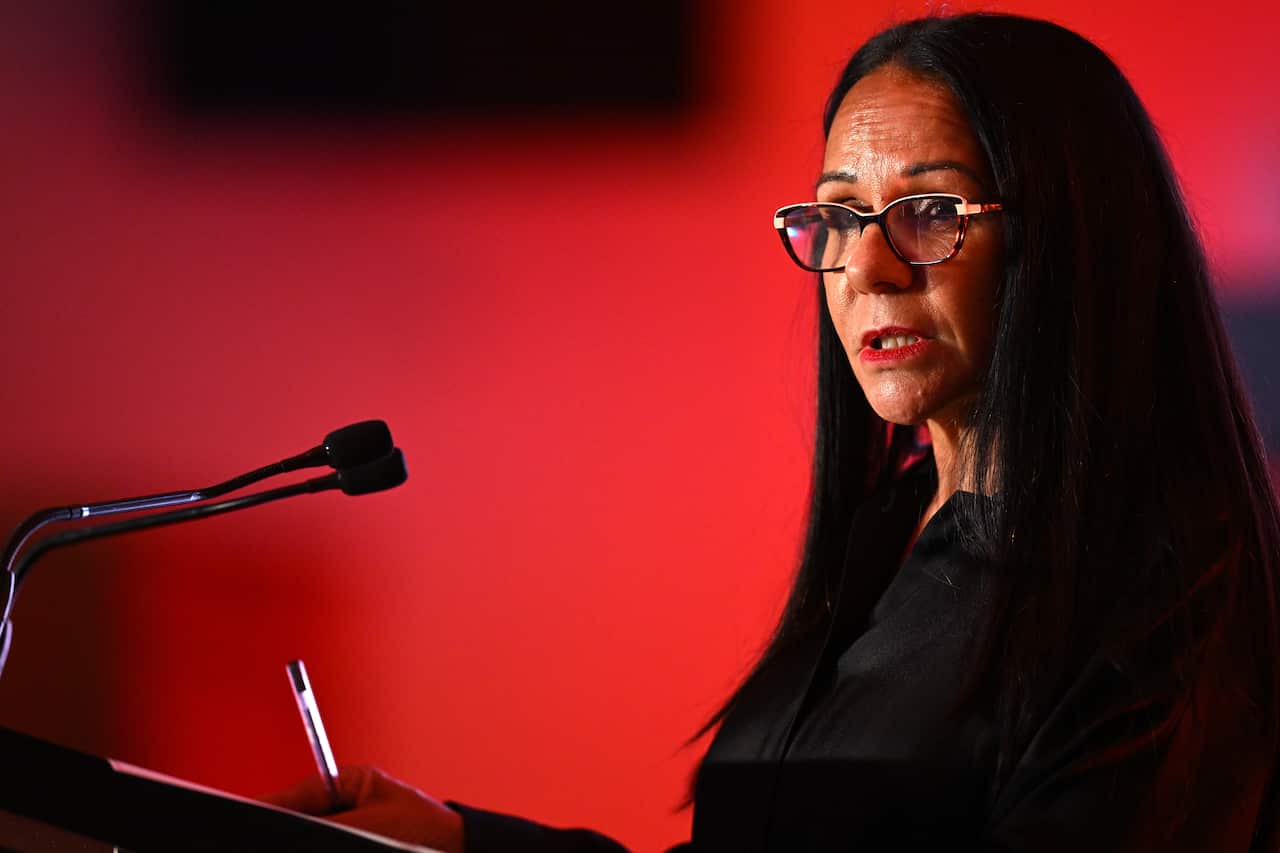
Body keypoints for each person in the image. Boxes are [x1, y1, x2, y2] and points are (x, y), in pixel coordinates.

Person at [267, 12, 1280, 851]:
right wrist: (457, 844)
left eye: (927, 211)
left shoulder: (1165, 587)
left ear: (1067, 233)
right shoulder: (886, 532)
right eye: (837, 219)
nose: (867, 269)